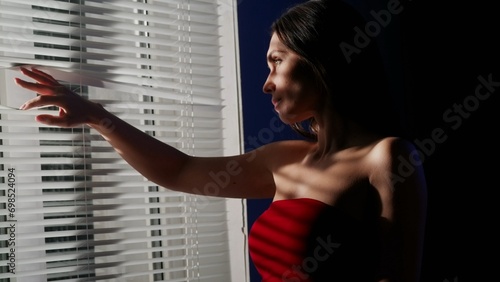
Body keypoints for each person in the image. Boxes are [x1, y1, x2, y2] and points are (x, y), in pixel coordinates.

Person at [15, 0, 427, 281]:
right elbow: (179, 171)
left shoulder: (387, 157)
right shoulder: (284, 159)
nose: (266, 84)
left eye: (277, 62)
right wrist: (96, 117)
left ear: (322, 60)